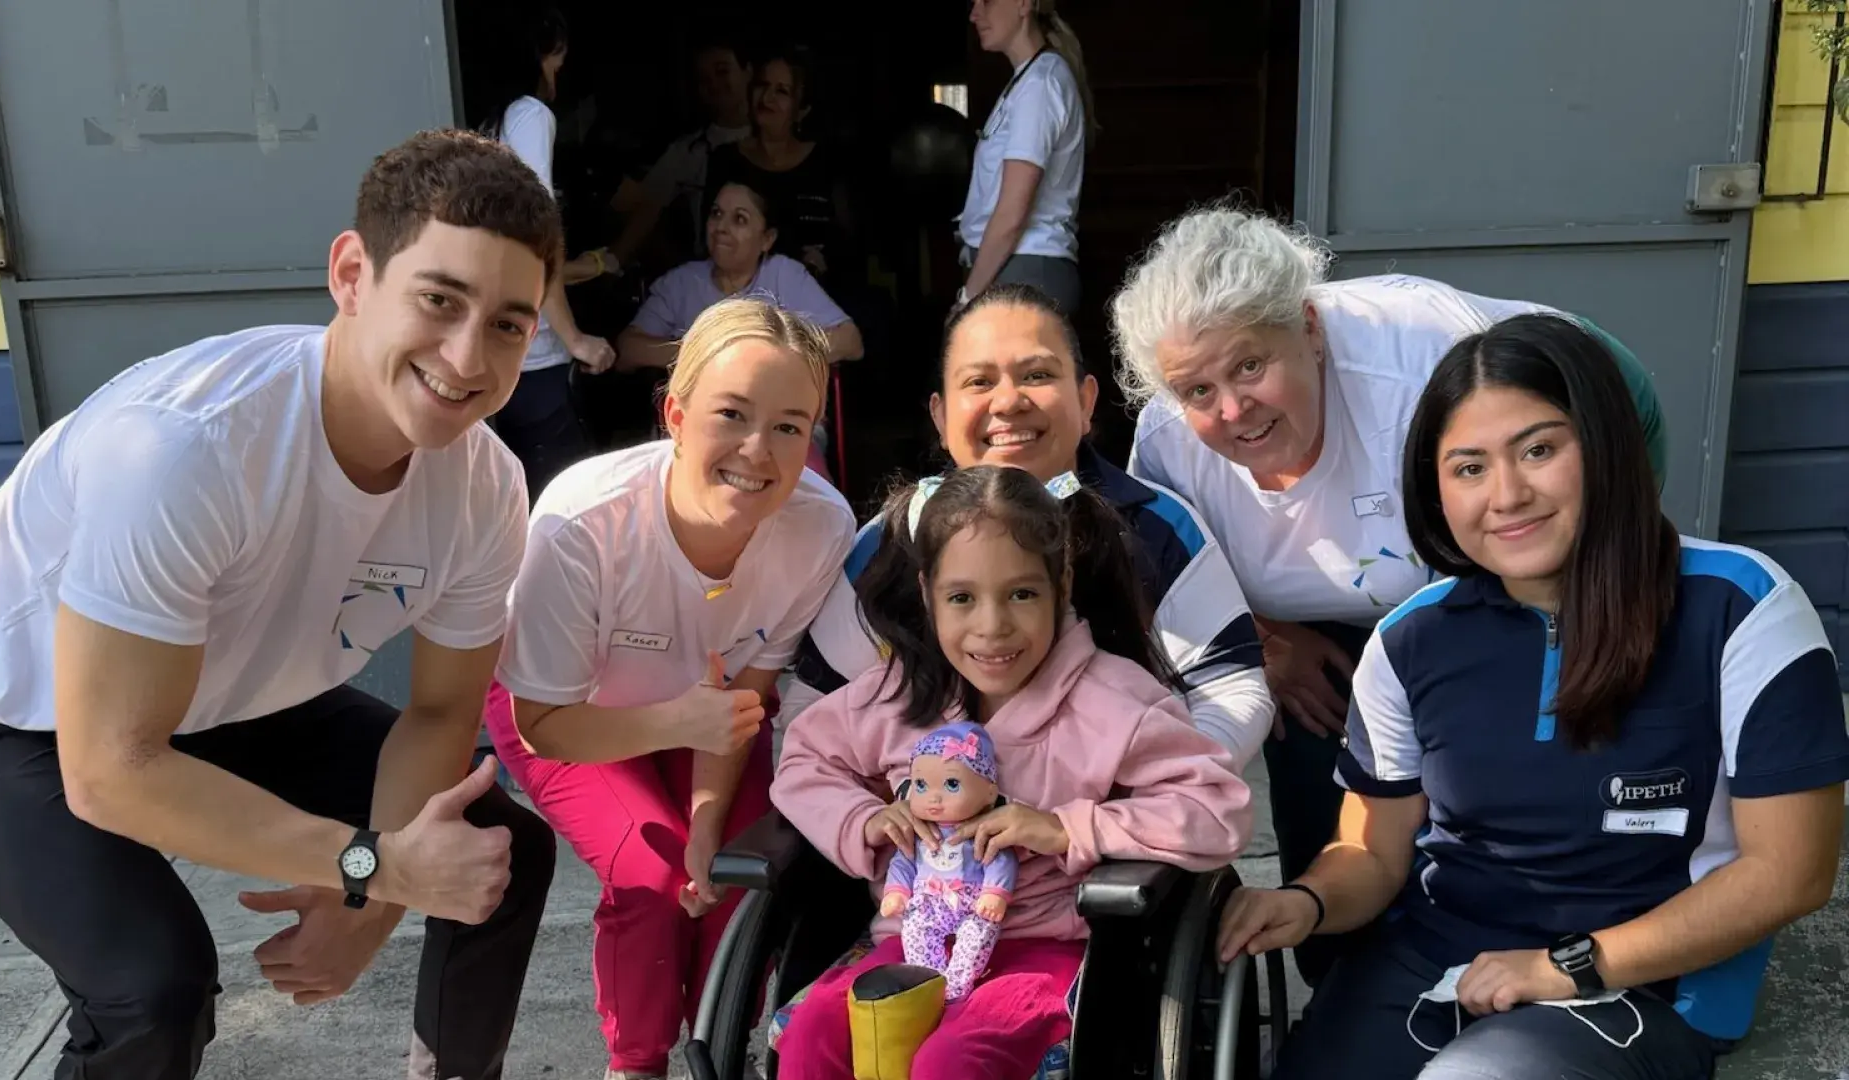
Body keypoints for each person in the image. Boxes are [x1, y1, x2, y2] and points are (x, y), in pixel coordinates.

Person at [0, 130, 563, 1080]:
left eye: (509, 325)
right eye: (439, 300)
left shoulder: (485, 486)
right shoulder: (188, 448)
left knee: (497, 854)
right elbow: (112, 771)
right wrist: (372, 867)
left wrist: (369, 904)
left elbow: (439, 712)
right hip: (8, 707)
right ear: (352, 275)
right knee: (153, 987)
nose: (468, 357)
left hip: (220, 689)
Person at [1216, 313, 1847, 1080]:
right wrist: (1307, 901)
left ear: (1608, 446)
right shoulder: (1410, 639)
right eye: (1468, 468)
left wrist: (1565, 966)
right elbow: (1373, 852)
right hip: (1437, 958)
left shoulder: (1741, 607)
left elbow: (1790, 870)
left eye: (1540, 450)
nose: (1507, 495)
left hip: (1641, 981)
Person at [1112, 206, 1670, 984]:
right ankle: (1349, 965)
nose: (1232, 409)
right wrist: (1268, 643)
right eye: (1198, 389)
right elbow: (1179, 584)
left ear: (1309, 328)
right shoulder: (1169, 443)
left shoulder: (1419, 368)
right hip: (1328, 603)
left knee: (1498, 729)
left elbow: (1569, 455)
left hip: (1526, 492)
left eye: (1250, 366)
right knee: (1317, 731)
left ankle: (1562, 936)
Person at [769, 465, 1253, 1079]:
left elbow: (1217, 809)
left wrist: (1067, 829)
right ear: (927, 594)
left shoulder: (1113, 702)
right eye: (962, 598)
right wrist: (861, 819)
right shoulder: (898, 694)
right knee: (814, 1035)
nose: (992, 626)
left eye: (1021, 594)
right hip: (912, 937)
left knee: (951, 1063)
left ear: (1061, 584)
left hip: (1046, 947)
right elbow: (804, 762)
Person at [483, 298, 857, 1080]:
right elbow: (543, 721)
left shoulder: (821, 528)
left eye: (790, 426)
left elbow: (742, 701)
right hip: (565, 710)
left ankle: (719, 1050)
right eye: (732, 414)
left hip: (710, 718)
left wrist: (708, 823)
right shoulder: (584, 523)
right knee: (651, 876)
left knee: (736, 877)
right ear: (676, 415)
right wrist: (677, 727)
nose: (758, 451)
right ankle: (638, 1062)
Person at [782, 284, 1275, 771]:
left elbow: (1230, 688)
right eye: (979, 382)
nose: (1008, 402)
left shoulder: (1157, 525)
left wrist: (1149, 794)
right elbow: (813, 705)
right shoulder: (892, 541)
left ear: (1085, 402)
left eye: (1037, 374)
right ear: (941, 416)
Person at [472, 3, 618, 498]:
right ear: (542, 53)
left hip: (499, 354)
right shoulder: (530, 115)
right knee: (569, 504)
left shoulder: (489, 123)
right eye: (558, 57)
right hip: (536, 358)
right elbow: (536, 234)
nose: (560, 69)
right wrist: (575, 339)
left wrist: (589, 266)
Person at [617, 180, 864, 373]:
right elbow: (628, 350)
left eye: (739, 219)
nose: (721, 227)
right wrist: (707, 352)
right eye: (716, 214)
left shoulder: (784, 274)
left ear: (767, 239)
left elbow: (850, 342)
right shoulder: (680, 283)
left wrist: (765, 355)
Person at [955, 0, 1095, 315]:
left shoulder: (1040, 85)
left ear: (1022, 4)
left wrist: (968, 297)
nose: (975, 14)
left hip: (1025, 271)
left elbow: (1012, 213)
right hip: (1013, 270)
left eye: (987, 1)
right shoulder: (1028, 80)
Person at [704, 47, 848, 279]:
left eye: (781, 91)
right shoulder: (726, 160)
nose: (766, 97)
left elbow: (848, 244)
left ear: (801, 109)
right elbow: (712, 242)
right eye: (762, 85)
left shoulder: (826, 162)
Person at [610, 36, 753, 269]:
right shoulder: (689, 150)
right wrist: (608, 263)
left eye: (722, 71)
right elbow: (644, 211)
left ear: (748, 71)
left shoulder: (774, 141)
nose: (714, 84)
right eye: (704, 79)